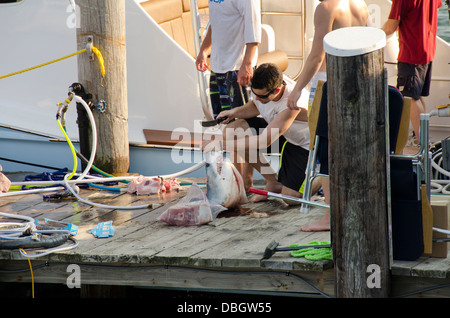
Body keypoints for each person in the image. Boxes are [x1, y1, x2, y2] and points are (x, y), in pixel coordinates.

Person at [286, 0, 370, 231]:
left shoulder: (326, 7)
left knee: (325, 149)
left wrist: (297, 89)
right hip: (358, 82)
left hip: (329, 84)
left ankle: (330, 215)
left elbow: (317, 55)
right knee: (352, 148)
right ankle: (354, 207)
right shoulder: (360, 5)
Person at [202, 63, 320, 204]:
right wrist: (234, 112)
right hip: (282, 133)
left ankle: (325, 177)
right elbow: (256, 105)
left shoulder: (292, 103)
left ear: (277, 90)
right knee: (233, 131)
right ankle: (272, 181)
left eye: (260, 96)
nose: (256, 98)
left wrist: (221, 144)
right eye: (254, 93)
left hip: (303, 144)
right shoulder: (266, 85)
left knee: (290, 198)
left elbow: (265, 141)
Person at [382, 0, 443, 145]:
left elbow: (391, 26)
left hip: (411, 52)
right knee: (417, 96)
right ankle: (420, 139)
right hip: (427, 50)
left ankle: (422, 143)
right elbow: (436, 10)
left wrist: (372, 35)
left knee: (409, 98)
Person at [195, 0, 261, 118]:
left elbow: (254, 31)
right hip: (218, 67)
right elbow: (214, 22)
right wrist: (204, 50)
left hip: (237, 68)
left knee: (241, 123)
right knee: (221, 119)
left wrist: (247, 65)